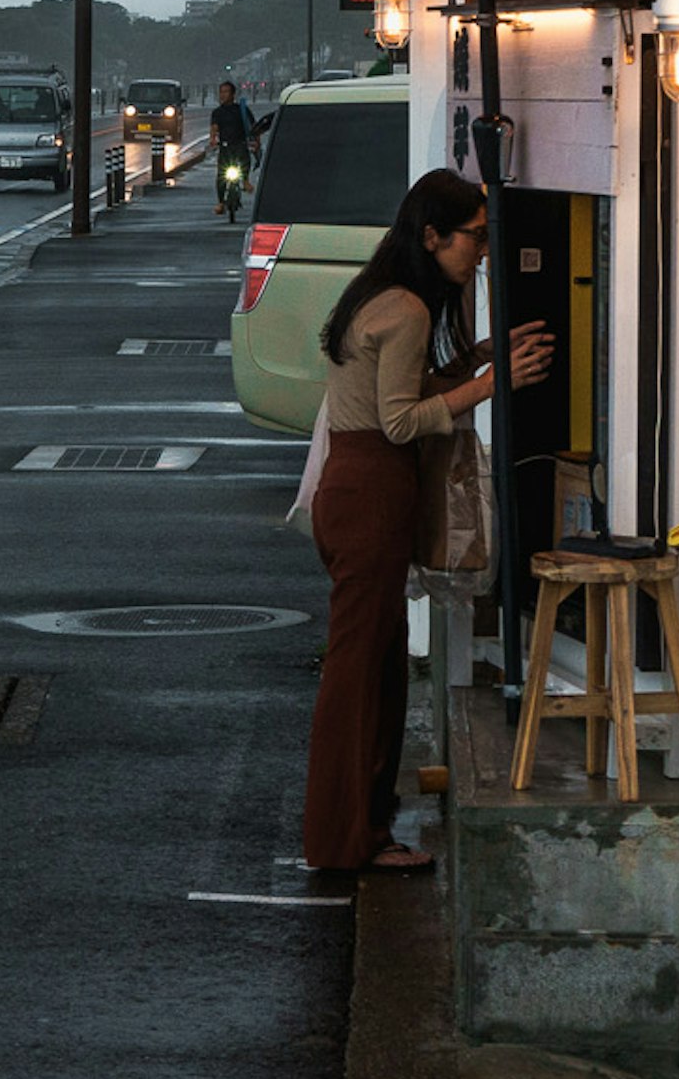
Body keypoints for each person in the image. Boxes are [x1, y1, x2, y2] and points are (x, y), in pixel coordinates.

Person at [302, 171, 551, 873]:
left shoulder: (381, 295)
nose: (480, 250)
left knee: (375, 665)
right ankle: (343, 839)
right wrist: (488, 383)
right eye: (473, 235)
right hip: (370, 492)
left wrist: (478, 358)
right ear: (432, 236)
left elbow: (404, 390)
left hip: (351, 489)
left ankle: (361, 832)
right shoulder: (408, 308)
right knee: (357, 671)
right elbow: (399, 418)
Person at [209, 82, 255, 215]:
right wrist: (213, 140)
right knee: (221, 175)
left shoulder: (241, 109)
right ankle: (221, 202)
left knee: (245, 158)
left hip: (240, 144)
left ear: (233, 94)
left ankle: (245, 180)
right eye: (221, 92)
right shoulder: (217, 112)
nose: (223, 95)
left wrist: (255, 141)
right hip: (225, 146)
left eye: (226, 92)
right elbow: (214, 128)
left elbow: (252, 126)